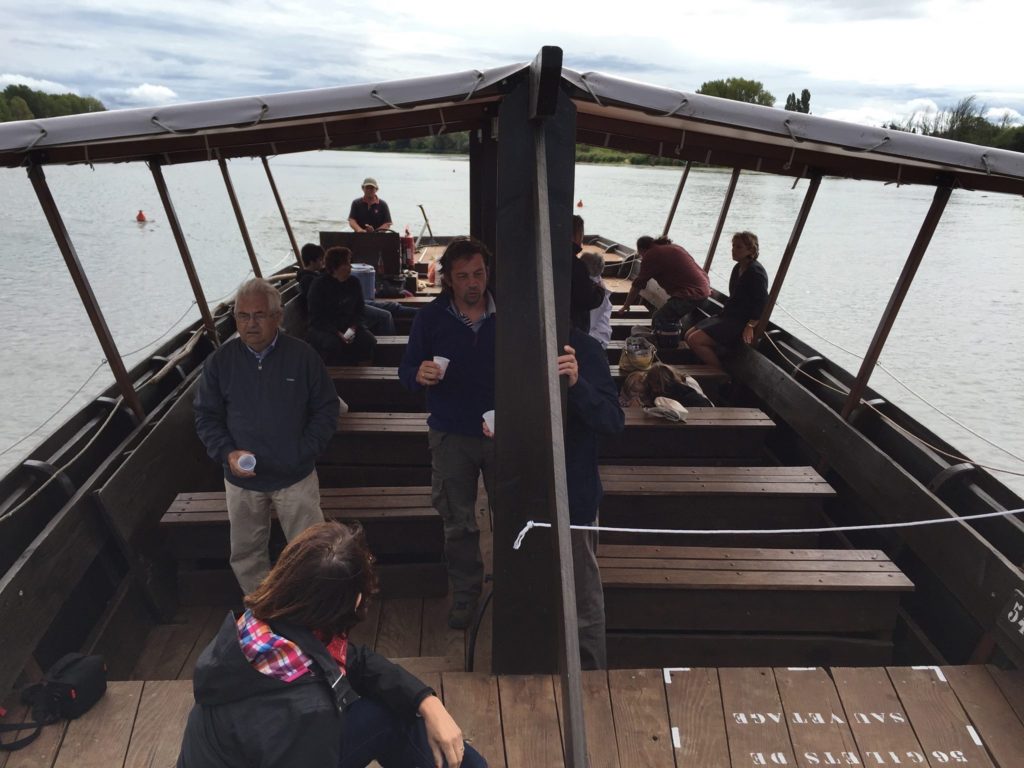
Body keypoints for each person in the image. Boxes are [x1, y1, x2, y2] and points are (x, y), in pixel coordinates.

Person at [176, 521, 487, 768]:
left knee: (383, 714)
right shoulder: (309, 709)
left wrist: (427, 703)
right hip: (290, 748)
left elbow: (356, 661)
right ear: (353, 600)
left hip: (254, 752)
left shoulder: (263, 625)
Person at [193, 279, 340, 593]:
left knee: (312, 550)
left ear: (278, 317)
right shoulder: (220, 362)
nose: (250, 324)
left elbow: (327, 409)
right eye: (243, 316)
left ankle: (310, 611)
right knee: (246, 553)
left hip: (295, 475)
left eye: (259, 315)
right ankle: (262, 609)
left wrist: (305, 451)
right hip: (242, 480)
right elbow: (206, 416)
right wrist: (227, 453)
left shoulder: (303, 357)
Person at [398, 237, 496, 629]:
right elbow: (406, 373)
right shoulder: (430, 319)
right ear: (448, 280)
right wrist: (418, 374)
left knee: (515, 516)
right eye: (463, 277)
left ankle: (514, 590)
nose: (474, 283)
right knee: (458, 521)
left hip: (503, 431)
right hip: (450, 434)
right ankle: (467, 594)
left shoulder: (511, 312)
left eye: (479, 273)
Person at [685, 231, 768, 369]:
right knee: (688, 334)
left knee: (695, 340)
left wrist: (750, 325)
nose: (733, 250)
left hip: (739, 322)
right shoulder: (738, 267)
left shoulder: (755, 273)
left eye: (739, 247)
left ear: (751, 250)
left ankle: (720, 375)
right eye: (733, 246)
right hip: (727, 316)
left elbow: (762, 301)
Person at [618, 236, 710, 332]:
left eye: (640, 254)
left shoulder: (652, 254)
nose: (642, 258)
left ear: (641, 250)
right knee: (668, 317)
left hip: (691, 293)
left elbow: (637, 285)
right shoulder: (674, 247)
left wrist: (626, 305)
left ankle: (661, 345)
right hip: (704, 289)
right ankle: (670, 337)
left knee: (659, 318)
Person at [306, 246, 377, 365]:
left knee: (369, 341)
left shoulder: (354, 283)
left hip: (348, 326)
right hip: (324, 328)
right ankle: (336, 377)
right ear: (335, 267)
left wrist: (353, 327)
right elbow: (317, 317)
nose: (350, 267)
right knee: (333, 344)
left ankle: (364, 374)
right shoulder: (319, 285)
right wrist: (337, 332)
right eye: (347, 263)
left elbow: (359, 310)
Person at [570, 215, 605, 334]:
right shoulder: (577, 265)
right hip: (572, 327)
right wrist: (600, 291)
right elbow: (587, 300)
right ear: (575, 235)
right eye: (581, 234)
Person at [579, 249, 612, 349]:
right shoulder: (597, 283)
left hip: (594, 339)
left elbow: (590, 324)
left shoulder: (593, 291)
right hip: (600, 334)